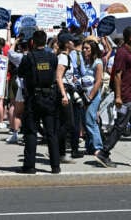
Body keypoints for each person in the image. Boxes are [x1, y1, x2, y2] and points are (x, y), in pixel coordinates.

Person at [95, 26, 131, 167]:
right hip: (126, 97)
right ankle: (104, 153)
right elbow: (117, 75)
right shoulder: (122, 53)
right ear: (130, 37)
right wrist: (118, 97)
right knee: (120, 126)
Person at [18, 30, 60, 174]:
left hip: (33, 98)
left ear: (32, 42)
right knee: (51, 133)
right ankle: (55, 166)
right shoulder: (52, 57)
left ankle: (29, 166)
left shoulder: (28, 57)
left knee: (31, 132)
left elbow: (21, 73)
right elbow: (54, 71)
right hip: (49, 97)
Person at [56, 33, 83, 163]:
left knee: (67, 123)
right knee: (68, 123)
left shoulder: (66, 57)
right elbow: (58, 77)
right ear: (67, 44)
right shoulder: (63, 58)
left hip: (69, 90)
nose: (73, 42)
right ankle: (58, 151)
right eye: (71, 41)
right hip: (65, 92)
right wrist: (63, 94)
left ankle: (60, 153)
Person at [81, 37, 104, 158]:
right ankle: (89, 146)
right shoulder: (86, 62)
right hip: (85, 95)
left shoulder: (98, 62)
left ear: (93, 49)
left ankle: (98, 147)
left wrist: (90, 97)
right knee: (86, 121)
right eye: (83, 48)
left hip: (93, 96)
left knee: (91, 121)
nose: (84, 50)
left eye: (87, 48)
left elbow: (98, 82)